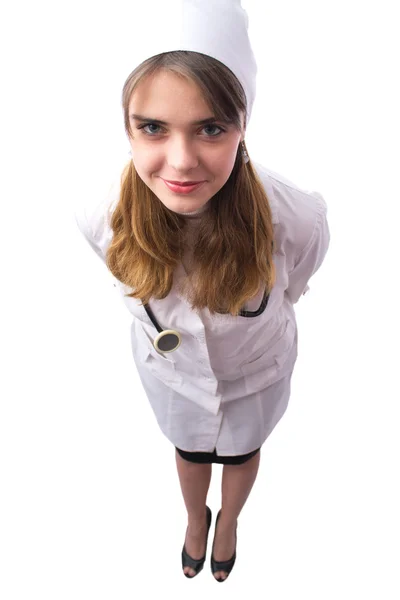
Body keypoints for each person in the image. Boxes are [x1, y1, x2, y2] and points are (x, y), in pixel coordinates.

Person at [74, 0, 330, 582]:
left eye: (211, 127)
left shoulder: (298, 218)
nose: (182, 162)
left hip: (257, 373)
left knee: (241, 452)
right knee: (189, 451)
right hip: (172, 377)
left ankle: (230, 522)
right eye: (154, 128)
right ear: (127, 127)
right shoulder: (99, 214)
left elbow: (295, 286)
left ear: (243, 126)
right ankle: (196, 521)